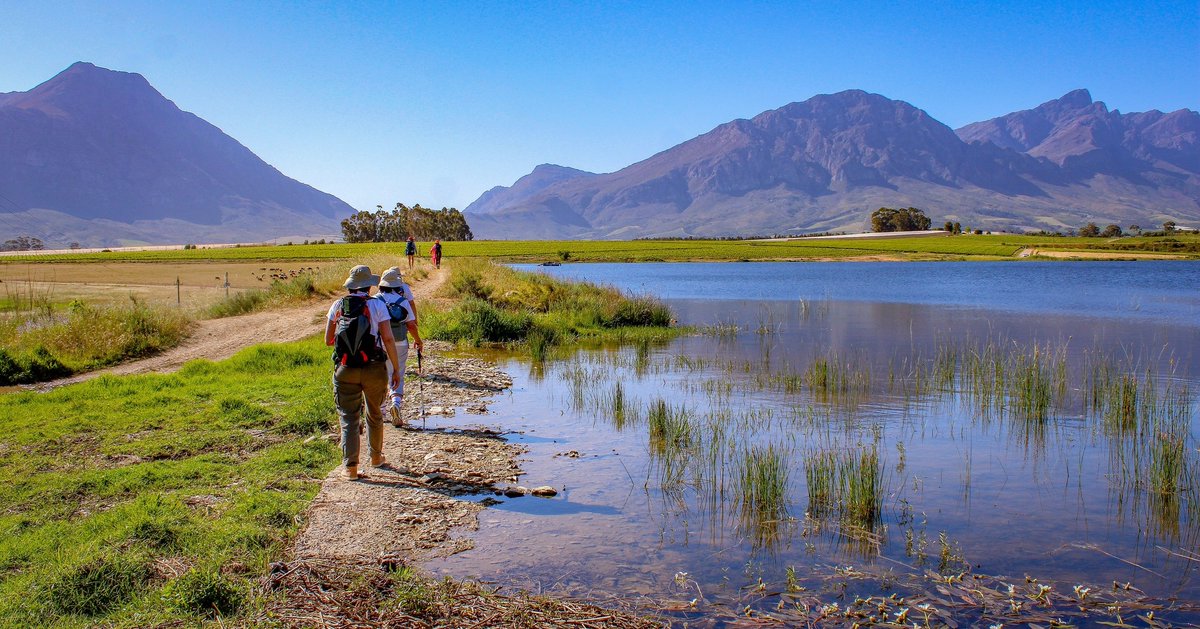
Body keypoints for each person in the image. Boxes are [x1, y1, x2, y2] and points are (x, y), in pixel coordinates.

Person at [325, 264, 401, 480]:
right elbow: (388, 339)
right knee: (374, 413)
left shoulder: (338, 305)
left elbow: (328, 340)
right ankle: (376, 458)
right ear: (369, 286)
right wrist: (396, 369)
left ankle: (350, 468)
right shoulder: (377, 305)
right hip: (374, 367)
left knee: (348, 418)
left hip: (345, 368)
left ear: (350, 286)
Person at [376, 267, 423, 426]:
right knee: (398, 373)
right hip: (400, 342)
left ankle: (381, 411)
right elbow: (411, 325)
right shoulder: (402, 301)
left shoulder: (375, 300)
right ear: (397, 286)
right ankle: (395, 404)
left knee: (381, 375)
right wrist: (418, 340)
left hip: (379, 342)